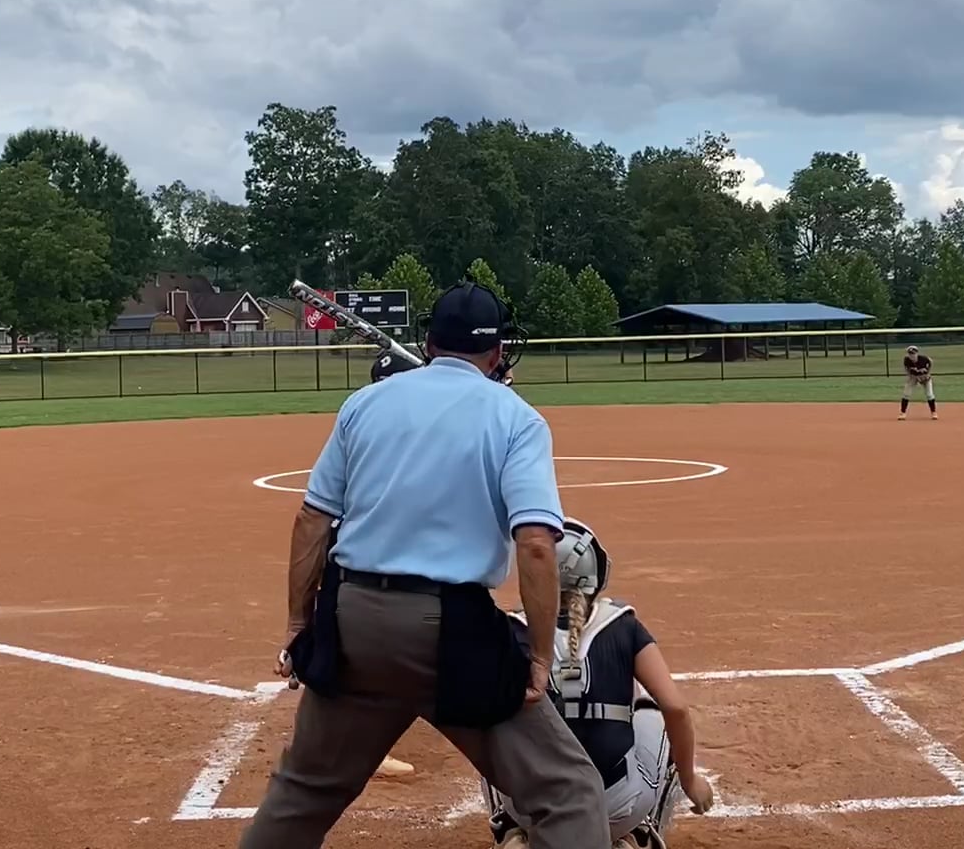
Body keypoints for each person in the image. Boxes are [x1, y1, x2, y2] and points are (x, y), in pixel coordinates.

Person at [239, 282, 609, 849]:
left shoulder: (365, 404)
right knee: (569, 793)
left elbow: (312, 519)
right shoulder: (516, 418)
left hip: (353, 620)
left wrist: (298, 622)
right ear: (497, 353)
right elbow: (536, 543)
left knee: (303, 793)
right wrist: (538, 657)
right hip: (452, 633)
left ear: (430, 343)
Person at [482, 518, 715, 848]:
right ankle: (637, 834)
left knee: (495, 722)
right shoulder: (623, 624)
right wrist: (690, 780)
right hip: (616, 808)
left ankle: (509, 829)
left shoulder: (511, 628)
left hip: (534, 807)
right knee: (651, 710)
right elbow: (675, 708)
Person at [900, 345, 937, 420]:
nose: (912, 356)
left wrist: (928, 373)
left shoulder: (923, 359)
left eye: (913, 353)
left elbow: (930, 362)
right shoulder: (907, 360)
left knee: (929, 394)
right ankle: (903, 413)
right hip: (914, 377)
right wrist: (910, 375)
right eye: (910, 354)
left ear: (917, 353)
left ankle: (933, 412)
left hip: (924, 377)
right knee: (906, 393)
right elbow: (906, 368)